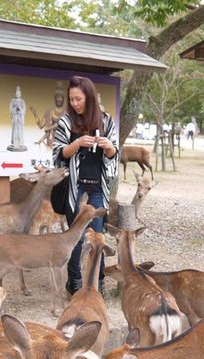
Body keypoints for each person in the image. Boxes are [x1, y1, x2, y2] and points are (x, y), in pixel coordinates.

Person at [53, 75, 118, 296]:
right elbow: (58, 154)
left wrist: (109, 146)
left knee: (97, 238)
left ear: (89, 97)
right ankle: (75, 284)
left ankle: (97, 284)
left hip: (98, 188)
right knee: (77, 238)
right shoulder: (66, 122)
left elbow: (114, 154)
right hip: (75, 189)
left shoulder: (107, 121)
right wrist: (77, 143)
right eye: (72, 99)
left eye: (78, 99)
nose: (74, 103)